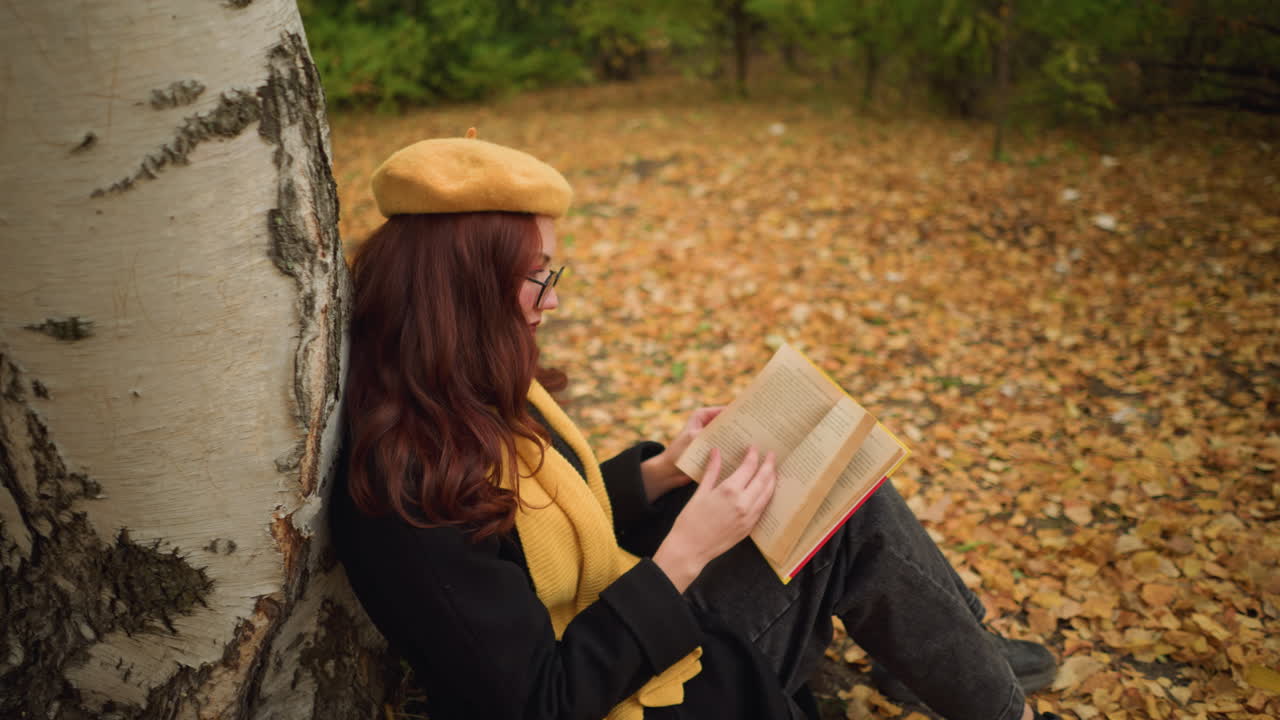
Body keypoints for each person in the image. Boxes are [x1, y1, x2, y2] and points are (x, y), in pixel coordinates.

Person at [330, 131, 1063, 720]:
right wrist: (684, 553)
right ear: (463, 288)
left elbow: (532, 530)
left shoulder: (455, 390)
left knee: (836, 480)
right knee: (848, 514)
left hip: (622, 624)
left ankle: (957, 655)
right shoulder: (405, 490)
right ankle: (978, 680)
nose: (552, 302)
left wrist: (662, 472)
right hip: (644, 688)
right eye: (539, 276)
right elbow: (540, 700)